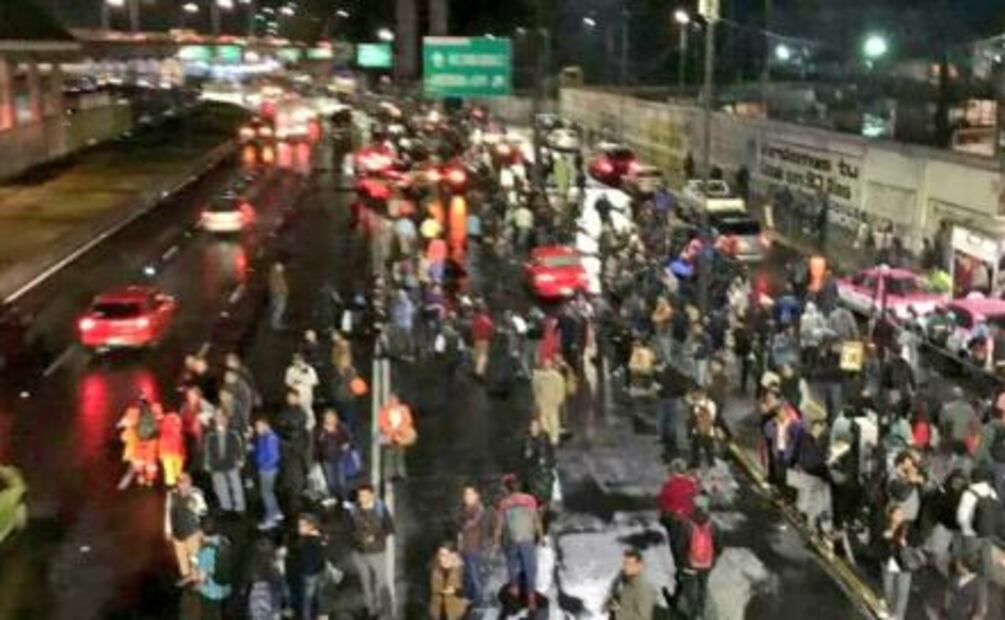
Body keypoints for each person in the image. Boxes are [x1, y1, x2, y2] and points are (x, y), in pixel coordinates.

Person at [494, 474, 543, 611]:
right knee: (530, 568)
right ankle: (531, 599)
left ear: (506, 488)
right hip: (527, 539)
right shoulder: (529, 499)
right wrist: (541, 536)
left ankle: (514, 592)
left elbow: (500, 525)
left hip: (512, 540)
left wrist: (496, 541)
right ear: (518, 485)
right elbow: (536, 520)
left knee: (512, 566)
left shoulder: (504, 503)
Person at [350, 484, 396, 619]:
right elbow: (349, 529)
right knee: (365, 583)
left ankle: (384, 611)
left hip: (377, 553)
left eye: (364, 495)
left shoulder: (380, 509)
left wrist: (375, 537)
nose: (361, 498)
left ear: (372, 495)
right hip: (359, 553)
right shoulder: (354, 509)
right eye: (360, 495)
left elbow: (390, 528)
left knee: (380, 583)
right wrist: (356, 539)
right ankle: (371, 611)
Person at [675, 503, 719, 620]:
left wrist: (681, 562)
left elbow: (680, 547)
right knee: (702, 587)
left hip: (690, 564)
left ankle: (694, 614)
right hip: (706, 564)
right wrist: (713, 560)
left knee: (689, 589)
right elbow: (719, 546)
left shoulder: (686, 525)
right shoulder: (713, 525)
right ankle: (701, 612)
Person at [164, 473, 207, 586]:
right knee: (181, 556)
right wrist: (168, 530)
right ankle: (187, 575)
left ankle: (198, 577)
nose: (183, 485)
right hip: (177, 531)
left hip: (192, 530)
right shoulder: (171, 494)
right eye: (180, 482)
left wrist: (195, 505)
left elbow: (203, 511)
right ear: (177, 484)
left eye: (186, 482)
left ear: (190, 482)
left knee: (195, 556)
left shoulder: (196, 493)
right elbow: (168, 513)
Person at [203, 409, 246, 514]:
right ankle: (226, 507)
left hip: (231, 462)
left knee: (236, 485)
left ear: (226, 418)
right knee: (221, 487)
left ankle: (240, 508)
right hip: (216, 464)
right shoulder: (210, 433)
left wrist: (241, 459)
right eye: (217, 416)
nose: (219, 418)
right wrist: (206, 463)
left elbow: (240, 446)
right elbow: (207, 449)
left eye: (221, 416)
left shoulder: (233, 431)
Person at [658, 459, 699, 572]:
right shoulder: (690, 483)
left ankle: (679, 564)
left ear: (672, 470)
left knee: (675, 541)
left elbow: (662, 500)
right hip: (688, 517)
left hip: (673, 517)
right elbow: (695, 495)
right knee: (686, 540)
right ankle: (688, 562)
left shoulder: (669, 484)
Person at [457, 486, 492, 607]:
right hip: (466, 546)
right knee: (468, 573)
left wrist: (463, 524)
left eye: (469, 494)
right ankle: (470, 598)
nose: (466, 496)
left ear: (477, 495)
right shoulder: (466, 508)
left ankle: (479, 601)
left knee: (474, 574)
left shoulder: (479, 508)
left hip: (475, 546)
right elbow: (461, 527)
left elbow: (469, 524)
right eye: (465, 494)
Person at [880, 506, 915, 620]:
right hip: (889, 562)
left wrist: (906, 544)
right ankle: (889, 610)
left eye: (902, 514)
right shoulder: (885, 527)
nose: (901, 516)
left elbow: (915, 542)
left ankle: (899, 616)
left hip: (903, 563)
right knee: (888, 589)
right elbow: (878, 544)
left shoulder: (907, 528)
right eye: (897, 514)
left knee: (902, 592)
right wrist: (885, 537)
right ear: (891, 516)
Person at [193, 519, 233, 619]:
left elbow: (203, 579)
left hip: (211, 593)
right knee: (222, 613)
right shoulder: (225, 540)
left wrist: (197, 586)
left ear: (201, 532)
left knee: (208, 615)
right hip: (226, 588)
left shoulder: (206, 551)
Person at [603, 548, 656, 620]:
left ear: (639, 566)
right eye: (625, 563)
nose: (626, 567)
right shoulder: (623, 581)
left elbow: (643, 618)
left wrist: (618, 614)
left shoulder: (644, 589)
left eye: (630, 564)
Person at [316, 408, 355, 500]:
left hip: (340, 456)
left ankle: (344, 498)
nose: (329, 419)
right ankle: (333, 498)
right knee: (331, 481)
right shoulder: (320, 429)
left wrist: (347, 444)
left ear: (335, 418)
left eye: (331, 416)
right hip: (326, 458)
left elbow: (350, 438)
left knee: (341, 480)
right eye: (327, 417)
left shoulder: (342, 427)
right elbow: (317, 443)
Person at [294, 513, 327, 620]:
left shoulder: (306, 540)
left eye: (302, 525)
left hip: (310, 573)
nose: (299, 528)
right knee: (320, 596)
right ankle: (322, 616)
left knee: (308, 599)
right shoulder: (319, 537)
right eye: (299, 525)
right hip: (319, 570)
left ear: (311, 526)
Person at [253, 417, 283, 529]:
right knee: (269, 492)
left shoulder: (270, 438)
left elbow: (274, 456)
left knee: (266, 494)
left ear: (266, 425)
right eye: (256, 426)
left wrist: (264, 467)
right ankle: (276, 512)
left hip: (267, 470)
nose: (257, 429)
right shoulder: (264, 436)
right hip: (267, 469)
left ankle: (271, 519)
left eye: (259, 426)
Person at [377, 393, 416, 480]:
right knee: (389, 454)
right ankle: (389, 474)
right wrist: (392, 433)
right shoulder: (384, 410)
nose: (393, 402)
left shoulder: (404, 409)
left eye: (394, 400)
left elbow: (408, 421)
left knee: (400, 453)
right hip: (389, 435)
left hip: (401, 434)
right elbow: (382, 424)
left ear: (398, 401)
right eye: (391, 400)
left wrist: (399, 431)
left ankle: (401, 473)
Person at [532, 358, 567, 446]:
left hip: (548, 403)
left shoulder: (554, 377)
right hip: (546, 404)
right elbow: (536, 391)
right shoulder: (540, 377)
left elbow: (535, 390)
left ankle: (550, 440)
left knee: (550, 422)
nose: (546, 366)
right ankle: (551, 440)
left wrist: (557, 401)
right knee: (549, 423)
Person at [429, 543, 469, 620]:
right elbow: (429, 590)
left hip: (457, 614)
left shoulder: (461, 569)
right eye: (441, 555)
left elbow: (468, 590)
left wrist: (455, 590)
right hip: (436, 613)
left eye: (446, 555)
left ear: (453, 555)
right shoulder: (434, 569)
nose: (443, 558)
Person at [285, 353, 320, 432]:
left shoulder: (310, 369)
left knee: (307, 409)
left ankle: (310, 427)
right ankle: (297, 426)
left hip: (306, 393)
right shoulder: (290, 370)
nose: (297, 361)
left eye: (299, 359)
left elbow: (315, 382)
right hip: (295, 393)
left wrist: (303, 380)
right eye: (295, 360)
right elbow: (288, 382)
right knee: (296, 409)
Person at [158, 407, 186, 488]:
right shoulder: (178, 423)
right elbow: (181, 441)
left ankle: (171, 487)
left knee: (169, 471)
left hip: (166, 451)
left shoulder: (163, 423)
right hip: (176, 451)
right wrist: (183, 454)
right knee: (176, 471)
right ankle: (176, 486)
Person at [471, 304, 495, 379]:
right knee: (483, 356)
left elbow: (473, 329)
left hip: (476, 340)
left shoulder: (476, 319)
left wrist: (473, 337)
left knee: (477, 355)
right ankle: (479, 373)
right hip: (485, 340)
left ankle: (476, 370)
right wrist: (491, 338)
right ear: (483, 311)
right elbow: (491, 330)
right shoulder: (487, 320)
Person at [269, 261, 289, 330]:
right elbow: (279, 285)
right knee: (279, 308)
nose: (283, 268)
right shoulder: (276, 274)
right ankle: (275, 324)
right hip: (279, 294)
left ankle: (276, 323)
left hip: (277, 293)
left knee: (276, 308)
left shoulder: (276, 273)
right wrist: (283, 292)